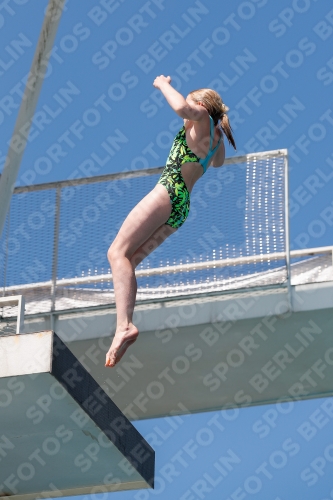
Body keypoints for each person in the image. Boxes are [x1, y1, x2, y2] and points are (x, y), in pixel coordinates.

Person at [105, 75, 236, 368]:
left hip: (168, 190)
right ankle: (124, 324)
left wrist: (162, 84)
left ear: (201, 105)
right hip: (181, 208)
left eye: (194, 105)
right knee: (129, 260)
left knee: (116, 253)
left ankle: (123, 325)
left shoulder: (200, 117)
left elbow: (183, 109)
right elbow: (218, 162)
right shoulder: (215, 140)